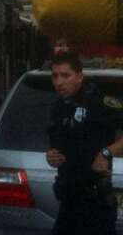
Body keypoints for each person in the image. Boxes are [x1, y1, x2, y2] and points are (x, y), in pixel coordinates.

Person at [47, 51, 123, 235]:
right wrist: (51, 156)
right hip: (69, 201)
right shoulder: (58, 107)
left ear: (79, 77)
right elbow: (56, 146)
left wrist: (106, 153)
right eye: (55, 76)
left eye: (66, 75)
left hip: (96, 204)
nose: (59, 82)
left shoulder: (98, 102)